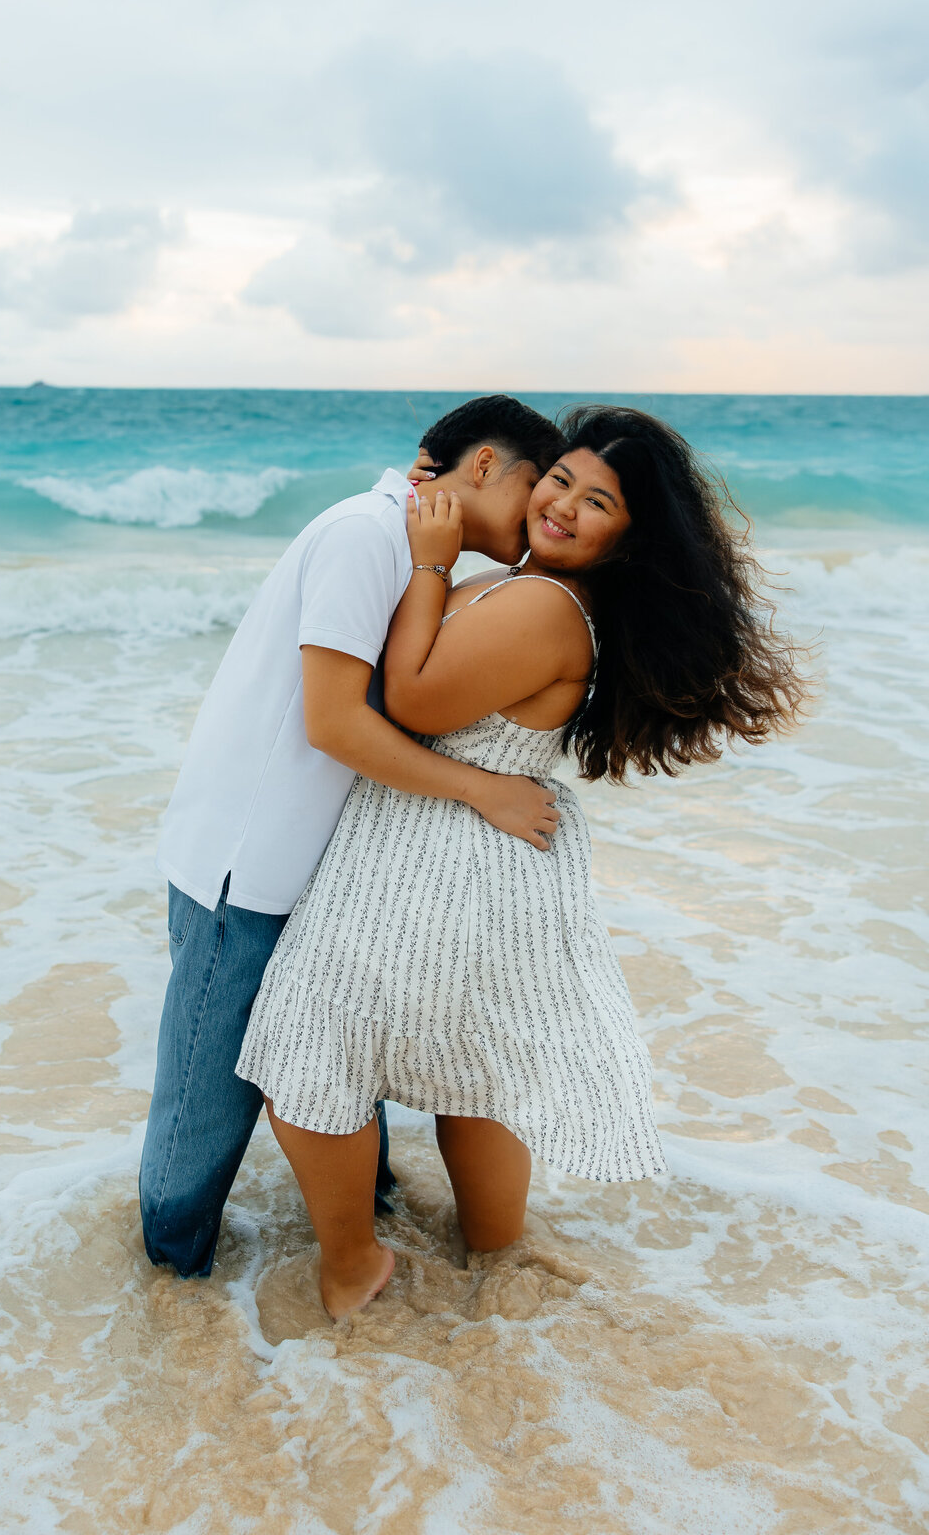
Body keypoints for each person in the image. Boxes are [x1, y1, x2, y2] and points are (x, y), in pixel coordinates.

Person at [237, 406, 808, 1317]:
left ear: (630, 537)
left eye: (600, 503)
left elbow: (417, 699)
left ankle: (354, 1266)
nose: (566, 507)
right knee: (476, 1070)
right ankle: (497, 1250)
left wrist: (428, 564)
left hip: (437, 858)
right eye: (562, 481)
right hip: (471, 852)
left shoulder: (547, 604)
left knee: (312, 1052)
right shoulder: (526, 586)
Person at [140, 395, 565, 1279]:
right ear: (483, 464)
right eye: (535, 486)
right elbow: (334, 723)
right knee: (204, 1110)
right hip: (248, 863)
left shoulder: (414, 550)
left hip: (320, 866)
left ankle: (361, 1240)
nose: (537, 517)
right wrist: (485, 792)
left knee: (333, 1062)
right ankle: (169, 1283)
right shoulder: (365, 536)